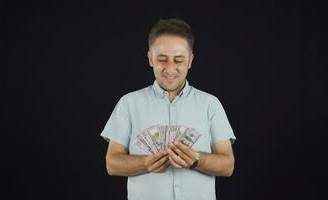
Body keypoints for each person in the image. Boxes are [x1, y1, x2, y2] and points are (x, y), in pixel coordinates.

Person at [100, 18, 236, 200]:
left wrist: (197, 159)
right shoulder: (128, 103)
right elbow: (112, 164)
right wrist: (145, 163)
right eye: (162, 59)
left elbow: (228, 165)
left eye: (178, 60)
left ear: (190, 60)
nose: (170, 68)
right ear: (150, 58)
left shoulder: (210, 104)